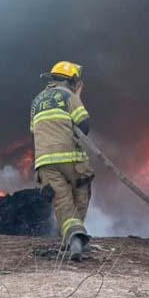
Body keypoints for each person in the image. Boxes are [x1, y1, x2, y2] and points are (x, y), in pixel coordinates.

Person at [31, 61, 93, 255]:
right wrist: (76, 98)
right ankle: (77, 237)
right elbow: (84, 124)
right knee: (80, 195)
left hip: (45, 162)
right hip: (72, 159)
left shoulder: (36, 101)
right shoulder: (69, 95)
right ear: (73, 81)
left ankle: (73, 238)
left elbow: (35, 130)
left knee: (62, 202)